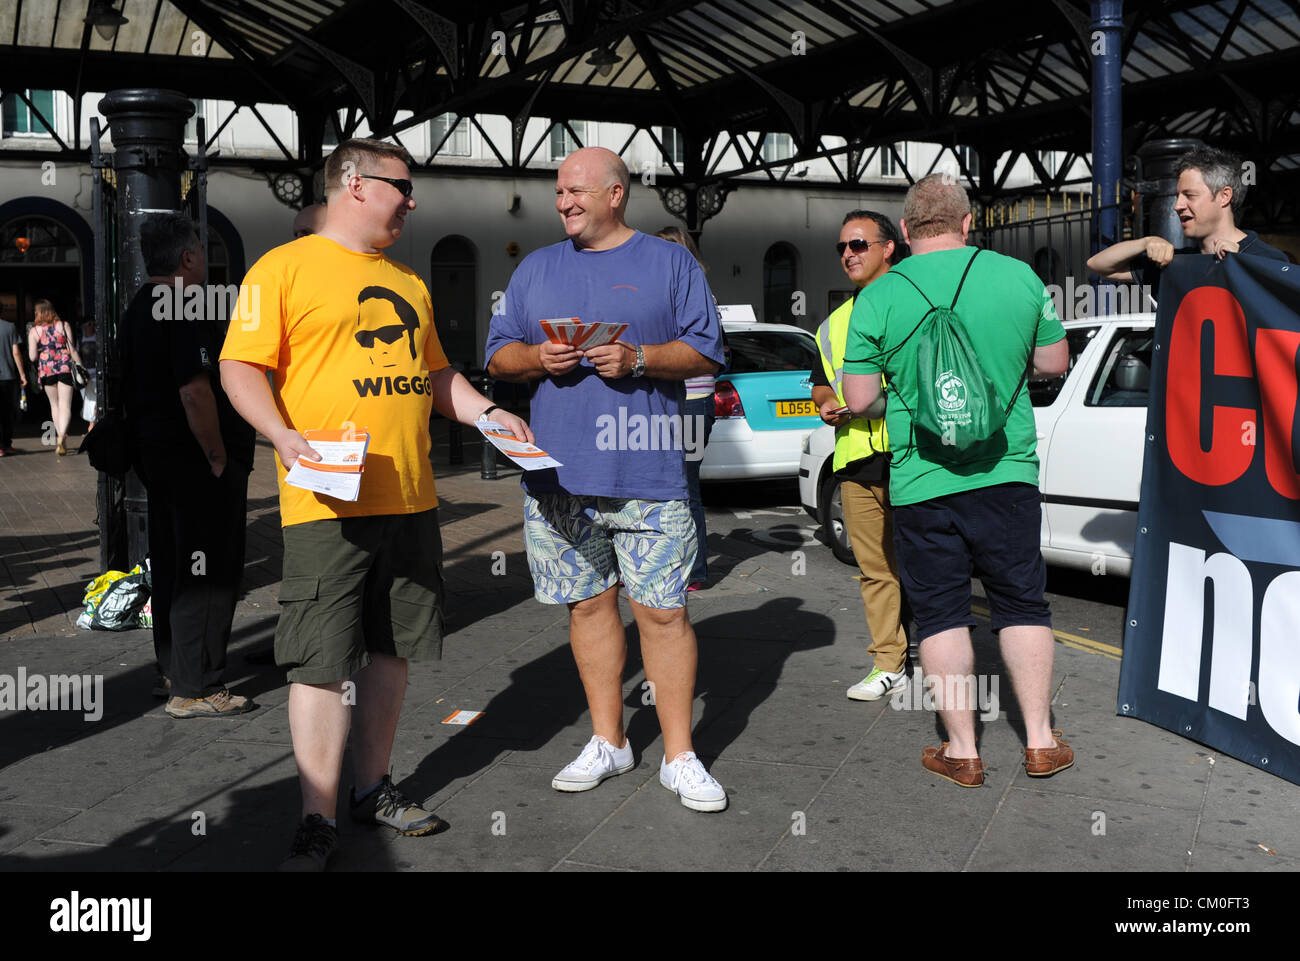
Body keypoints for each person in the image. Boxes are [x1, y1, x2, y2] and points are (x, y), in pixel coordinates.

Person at [221, 137, 532, 871]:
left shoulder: (408, 281)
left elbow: (433, 375)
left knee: (393, 652)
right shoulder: (284, 268)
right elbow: (239, 365)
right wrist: (280, 433)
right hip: (327, 497)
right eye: (402, 185)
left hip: (409, 496)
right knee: (321, 659)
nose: (411, 200)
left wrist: (489, 414)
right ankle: (316, 816)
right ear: (354, 183)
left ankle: (373, 787)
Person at [485, 147, 727, 812]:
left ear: (615, 193)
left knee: (663, 612)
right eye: (559, 192)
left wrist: (639, 357)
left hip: (649, 471)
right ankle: (609, 739)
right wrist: (537, 356)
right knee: (588, 605)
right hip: (558, 477)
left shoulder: (669, 262)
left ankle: (679, 755)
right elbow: (499, 356)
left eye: (574, 191)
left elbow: (707, 348)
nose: (562, 202)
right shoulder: (535, 269)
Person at [842, 174, 1072, 788]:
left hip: (922, 481)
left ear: (907, 231)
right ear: (968, 223)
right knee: (1021, 602)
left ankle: (964, 751)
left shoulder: (879, 296)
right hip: (1006, 472)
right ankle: (1042, 743)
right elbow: (1054, 362)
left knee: (941, 613)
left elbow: (859, 398)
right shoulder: (1018, 276)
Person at [120, 212, 257, 719]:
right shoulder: (183, 305)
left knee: (175, 563)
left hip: (156, 458)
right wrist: (218, 455)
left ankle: (173, 669)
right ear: (187, 257)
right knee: (209, 570)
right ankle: (198, 687)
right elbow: (194, 390)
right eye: (199, 249)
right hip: (196, 462)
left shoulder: (140, 306)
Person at [811, 210, 911, 701]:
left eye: (859, 245)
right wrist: (827, 403)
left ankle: (935, 653)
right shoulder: (831, 324)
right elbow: (819, 382)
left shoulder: (915, 302)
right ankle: (889, 663)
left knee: (925, 564)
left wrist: (875, 402)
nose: (848, 254)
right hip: (854, 460)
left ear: (889, 247)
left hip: (912, 455)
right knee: (875, 570)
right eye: (842, 248)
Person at [1086, 145, 1289, 296]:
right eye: (1178, 196)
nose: (1177, 206)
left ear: (1224, 196)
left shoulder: (1267, 260)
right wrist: (1145, 242)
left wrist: (1244, 267)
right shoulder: (1175, 263)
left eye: (1190, 195)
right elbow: (1097, 264)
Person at [655, 224, 715, 591]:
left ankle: (695, 571)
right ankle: (680, 564)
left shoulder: (686, 292)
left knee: (685, 487)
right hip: (682, 399)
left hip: (690, 400)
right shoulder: (689, 289)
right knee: (673, 485)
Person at [27, 299, 82, 455]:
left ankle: (59, 435)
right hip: (64, 366)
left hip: (46, 369)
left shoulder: (34, 331)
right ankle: (61, 436)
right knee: (65, 404)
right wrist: (80, 366)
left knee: (55, 405)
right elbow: (72, 349)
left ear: (38, 312)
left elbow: (32, 357)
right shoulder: (63, 325)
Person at [0, 309, 25, 456]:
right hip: (8, 376)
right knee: (8, 411)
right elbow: (16, 352)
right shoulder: (10, 327)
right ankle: (6, 444)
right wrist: (22, 374)